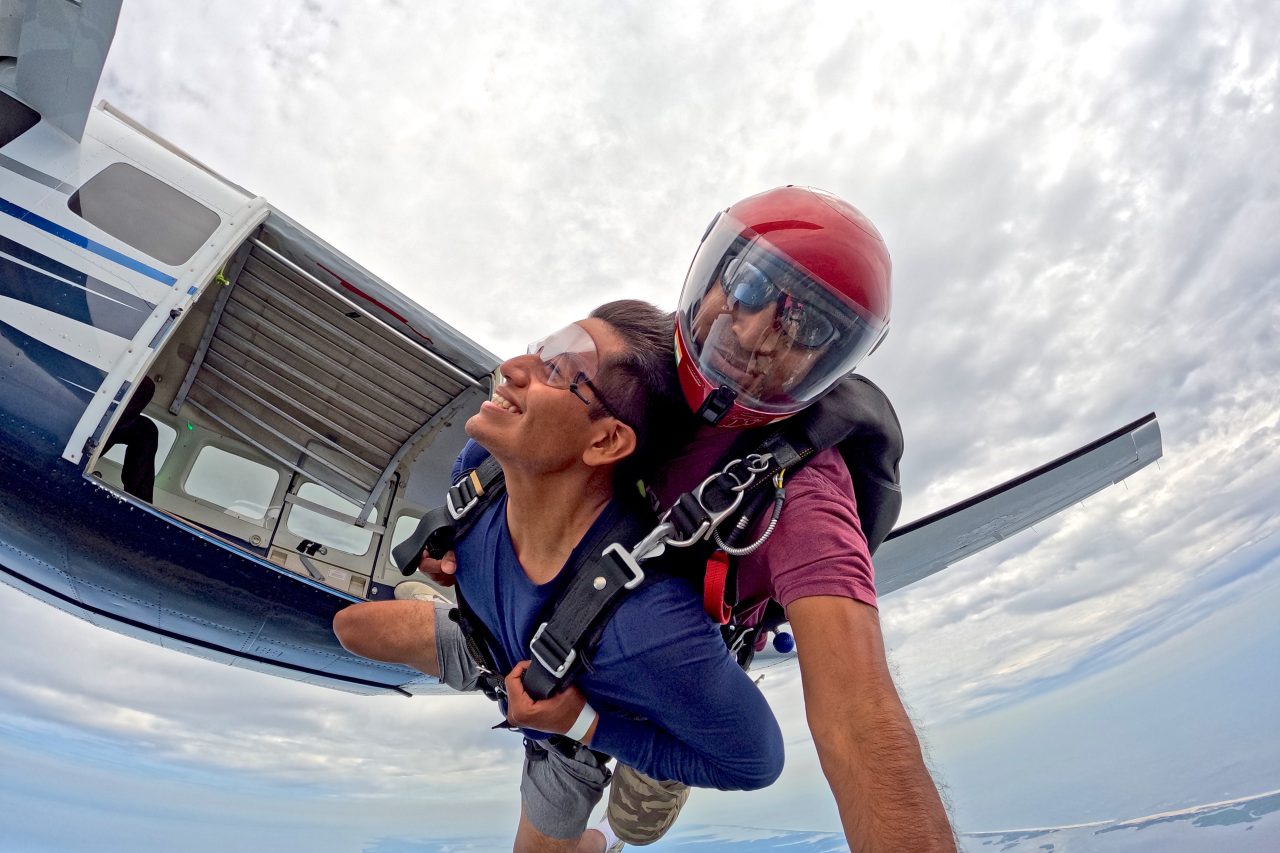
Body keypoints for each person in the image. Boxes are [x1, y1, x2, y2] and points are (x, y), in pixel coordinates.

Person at [426, 187, 956, 852]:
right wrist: (458, 527)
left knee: (639, 822)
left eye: (806, 325)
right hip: (585, 628)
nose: (754, 329)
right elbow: (525, 426)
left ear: (829, 363)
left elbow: (860, 718)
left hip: (679, 669)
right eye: (752, 283)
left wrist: (592, 725)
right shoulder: (633, 361)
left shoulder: (805, 492)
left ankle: (609, 828)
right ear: (714, 272)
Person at [333, 300, 783, 852]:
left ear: (606, 442)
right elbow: (468, 511)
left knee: (636, 829)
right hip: (500, 651)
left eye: (558, 372)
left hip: (575, 721)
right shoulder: (479, 465)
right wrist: (449, 543)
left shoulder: (649, 631)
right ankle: (500, 649)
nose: (513, 369)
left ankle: (622, 814)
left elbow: (755, 763)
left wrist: (583, 724)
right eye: (539, 351)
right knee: (351, 628)